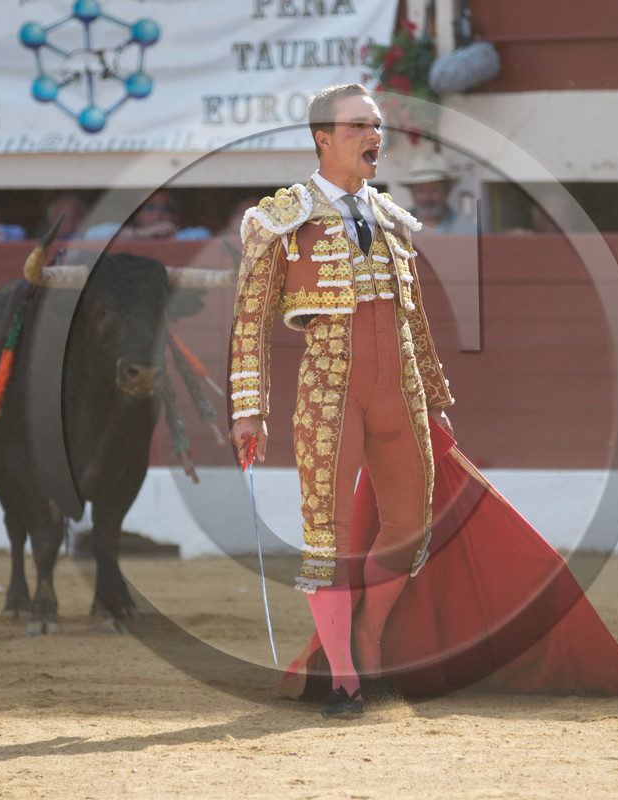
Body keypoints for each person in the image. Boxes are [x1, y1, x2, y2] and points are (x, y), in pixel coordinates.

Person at [228, 83, 454, 719]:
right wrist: (250, 410)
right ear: (322, 138)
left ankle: (370, 633)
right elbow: (249, 322)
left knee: (411, 526)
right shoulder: (280, 218)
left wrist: (434, 399)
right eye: (358, 126)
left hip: (400, 390)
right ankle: (347, 680)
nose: (372, 136)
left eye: (377, 125)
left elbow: (417, 316)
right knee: (324, 536)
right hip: (330, 391)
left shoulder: (391, 219)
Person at [398, 149, 476, 235]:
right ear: (412, 193)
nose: (426, 198)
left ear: (447, 190)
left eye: (434, 190)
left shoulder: (466, 230)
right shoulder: (396, 226)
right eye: (420, 191)